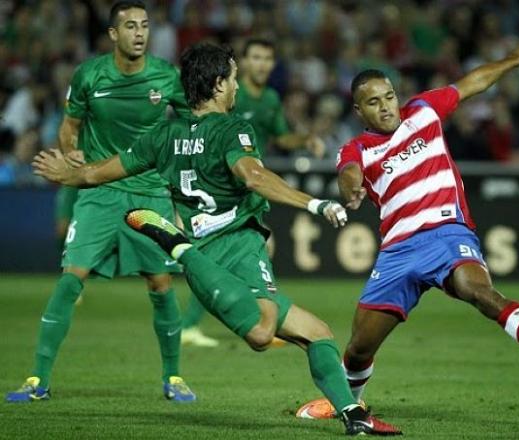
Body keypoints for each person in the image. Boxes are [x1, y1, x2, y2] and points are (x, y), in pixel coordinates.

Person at [32, 41, 402, 437]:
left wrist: (65, 174)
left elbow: (95, 173)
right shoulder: (232, 129)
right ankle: (175, 243)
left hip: (212, 263)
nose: (237, 88)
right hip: (233, 248)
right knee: (262, 333)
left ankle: (353, 414)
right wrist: (314, 204)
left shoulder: (163, 135)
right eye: (233, 79)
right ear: (217, 84)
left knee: (318, 333)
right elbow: (253, 176)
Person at [295, 39, 519, 419]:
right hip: (398, 252)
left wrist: (514, 60)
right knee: (358, 348)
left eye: (389, 96)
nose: (386, 105)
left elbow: (473, 82)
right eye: (374, 102)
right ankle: (348, 399)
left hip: (446, 233)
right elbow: (347, 172)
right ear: (359, 110)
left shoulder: (423, 110)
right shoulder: (357, 148)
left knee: (479, 291)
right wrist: (350, 186)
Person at [6, 1, 196, 403]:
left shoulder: (166, 76)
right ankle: (38, 379)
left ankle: (174, 377)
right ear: (113, 34)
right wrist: (70, 151)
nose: (139, 33)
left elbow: (193, 122)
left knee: (161, 284)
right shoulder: (90, 75)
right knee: (70, 277)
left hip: (149, 191)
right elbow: (69, 127)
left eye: (144, 25)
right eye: (130, 26)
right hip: (98, 191)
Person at [179, 38, 326, 347]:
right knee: (232, 253)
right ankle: (216, 321)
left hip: (249, 183)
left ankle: (259, 316)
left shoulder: (270, 99)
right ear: (243, 63)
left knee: (246, 251)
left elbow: (280, 137)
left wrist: (304, 140)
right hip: (225, 184)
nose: (261, 64)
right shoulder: (229, 93)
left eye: (267, 58)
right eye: (255, 57)